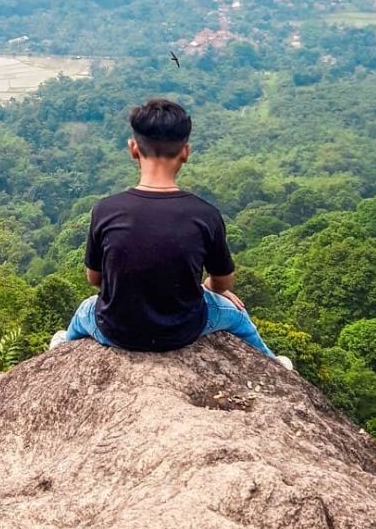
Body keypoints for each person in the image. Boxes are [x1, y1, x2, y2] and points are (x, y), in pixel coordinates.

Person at [51, 97, 293, 367]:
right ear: (186, 152)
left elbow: (94, 278)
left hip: (116, 330)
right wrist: (208, 289)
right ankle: (273, 364)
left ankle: (61, 350)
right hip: (183, 331)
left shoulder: (106, 210)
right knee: (237, 314)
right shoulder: (205, 214)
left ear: (133, 149)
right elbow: (223, 281)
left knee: (85, 308)